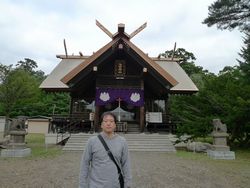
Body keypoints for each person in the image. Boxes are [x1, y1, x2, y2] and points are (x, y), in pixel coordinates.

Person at [79, 111, 132, 188]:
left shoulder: (122, 142)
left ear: (115, 125)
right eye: (105, 121)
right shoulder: (92, 141)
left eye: (111, 121)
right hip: (95, 185)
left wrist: (128, 184)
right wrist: (82, 185)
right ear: (101, 124)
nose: (108, 123)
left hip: (115, 185)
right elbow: (85, 164)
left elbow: (126, 164)